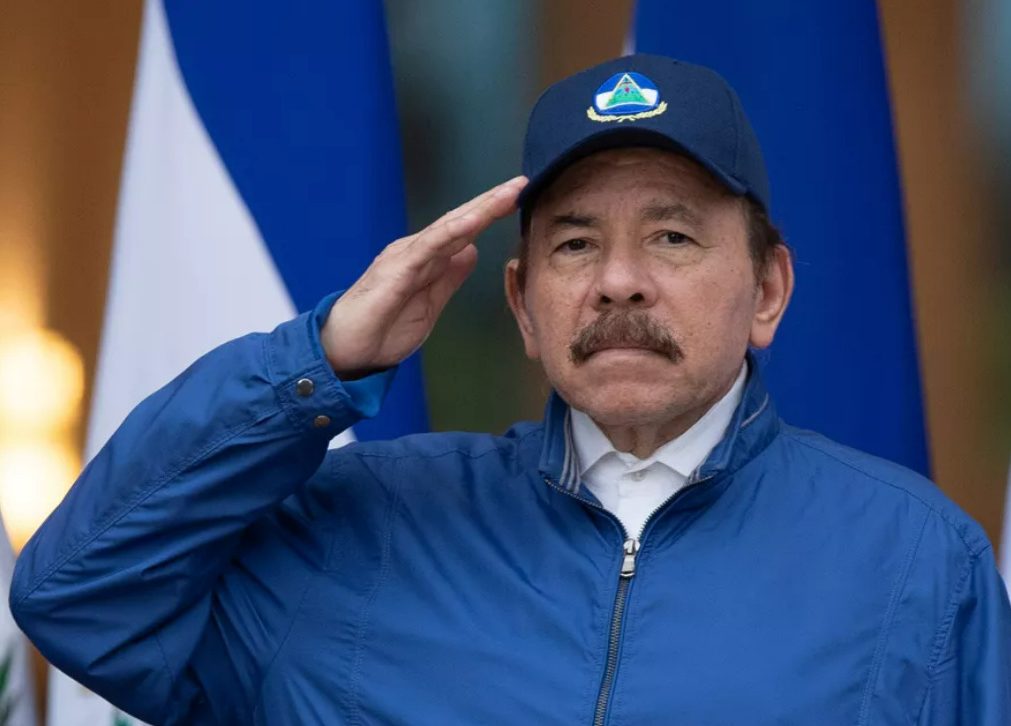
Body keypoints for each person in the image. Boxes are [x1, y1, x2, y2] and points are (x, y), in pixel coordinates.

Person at [11, 54, 1011, 725]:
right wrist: (320, 361)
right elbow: (79, 596)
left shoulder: (917, 562)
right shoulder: (360, 528)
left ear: (768, 291)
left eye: (671, 236)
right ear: (524, 307)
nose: (619, 281)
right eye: (575, 244)